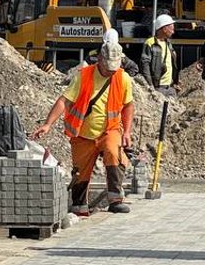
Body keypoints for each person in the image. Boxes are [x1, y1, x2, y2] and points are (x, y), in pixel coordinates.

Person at [32, 35, 135, 216]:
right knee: (81, 172)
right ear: (100, 59)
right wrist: (48, 124)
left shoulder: (123, 78)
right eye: (107, 67)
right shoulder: (84, 76)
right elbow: (64, 101)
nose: (111, 71)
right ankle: (79, 205)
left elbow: (128, 106)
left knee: (114, 154)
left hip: (109, 130)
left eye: (114, 68)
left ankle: (116, 199)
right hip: (83, 134)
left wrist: (126, 131)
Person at [140, 14, 180, 97]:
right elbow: (145, 66)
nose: (173, 32)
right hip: (158, 88)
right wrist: (150, 86)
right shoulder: (150, 43)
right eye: (171, 29)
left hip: (170, 87)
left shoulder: (168, 44)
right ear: (164, 29)